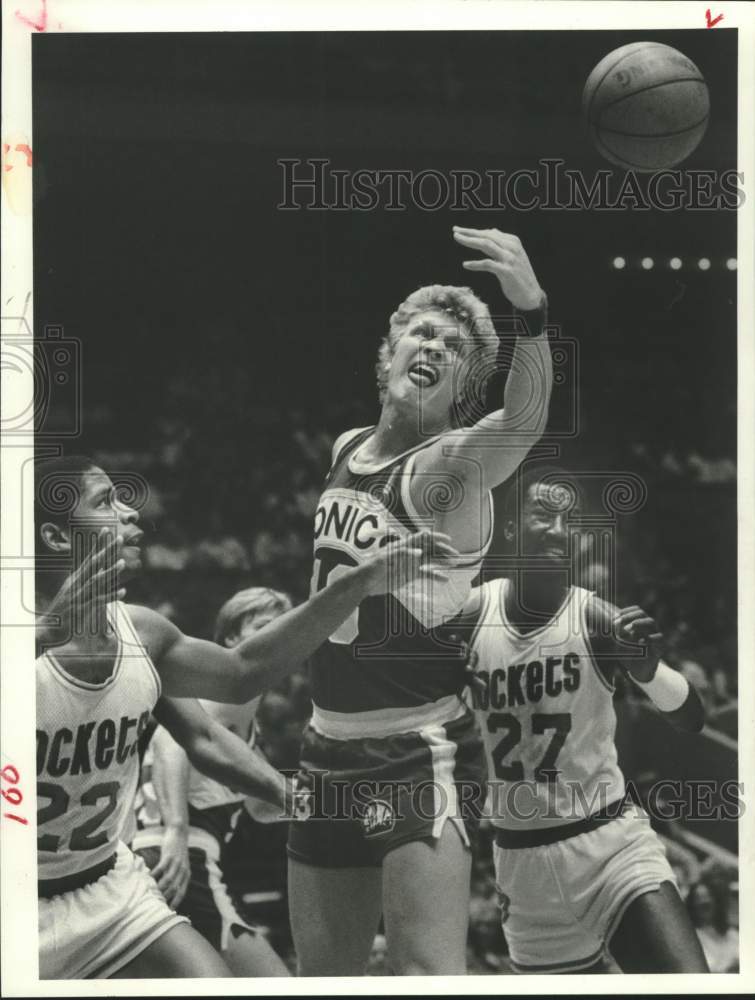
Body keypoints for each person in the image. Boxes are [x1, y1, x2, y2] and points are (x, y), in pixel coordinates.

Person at [34, 454, 455, 979]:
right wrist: (43, 637)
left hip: (106, 886)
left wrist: (357, 584)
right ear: (55, 537)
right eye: (105, 502)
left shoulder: (142, 634)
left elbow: (236, 682)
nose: (130, 514)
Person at [288, 228, 553, 975]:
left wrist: (529, 311)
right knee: (321, 981)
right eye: (421, 331)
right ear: (390, 351)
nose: (432, 343)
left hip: (416, 749)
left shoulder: (452, 464)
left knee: (424, 978)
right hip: (321, 746)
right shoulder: (344, 446)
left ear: (462, 383)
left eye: (452, 346)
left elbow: (526, 421)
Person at [462, 465, 709, 973]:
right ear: (510, 529)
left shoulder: (595, 616)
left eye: (568, 520)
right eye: (543, 515)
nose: (558, 529)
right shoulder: (470, 616)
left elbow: (691, 717)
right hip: (520, 865)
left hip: (611, 847)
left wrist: (648, 670)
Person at [132, 587, 296, 977]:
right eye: (263, 627)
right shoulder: (221, 698)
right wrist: (176, 828)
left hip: (170, 855)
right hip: (180, 853)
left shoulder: (246, 723)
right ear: (231, 639)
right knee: (275, 983)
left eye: (284, 629)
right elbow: (168, 741)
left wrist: (332, 803)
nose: (277, 638)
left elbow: (262, 807)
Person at [686, 879, 739, 973]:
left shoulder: (732, 933)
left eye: (708, 896)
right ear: (692, 905)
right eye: (698, 898)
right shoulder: (691, 939)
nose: (704, 902)